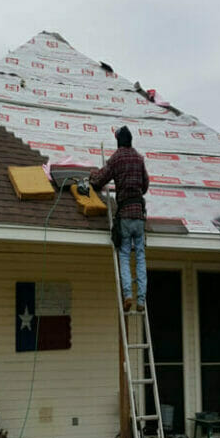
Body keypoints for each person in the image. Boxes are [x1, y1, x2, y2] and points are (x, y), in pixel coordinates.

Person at [90, 126, 149, 311]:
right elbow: (145, 185)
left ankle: (128, 295)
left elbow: (100, 179)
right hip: (139, 214)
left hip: (124, 214)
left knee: (124, 255)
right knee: (139, 256)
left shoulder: (117, 158)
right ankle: (141, 300)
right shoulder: (139, 159)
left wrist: (92, 175)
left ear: (118, 141)